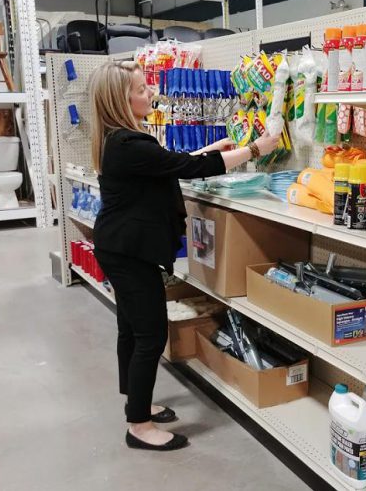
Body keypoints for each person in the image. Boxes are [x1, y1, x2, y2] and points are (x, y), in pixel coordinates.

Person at [89, 61, 279, 451]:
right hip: (127, 251)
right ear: (121, 100)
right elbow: (185, 168)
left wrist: (211, 149)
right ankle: (138, 427)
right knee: (151, 334)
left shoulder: (122, 140)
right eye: (142, 90)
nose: (150, 94)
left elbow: (167, 166)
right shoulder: (129, 144)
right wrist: (256, 148)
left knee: (132, 329)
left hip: (121, 247)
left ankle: (135, 403)